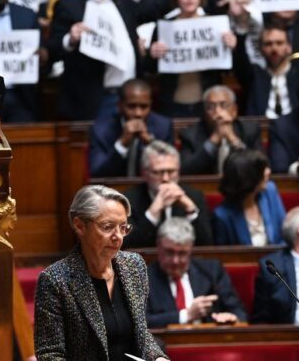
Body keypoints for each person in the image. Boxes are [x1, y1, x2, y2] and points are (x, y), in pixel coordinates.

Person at [33, 185, 168, 360]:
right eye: (108, 226)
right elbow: (49, 354)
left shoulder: (134, 266)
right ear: (80, 226)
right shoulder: (55, 280)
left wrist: (158, 358)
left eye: (123, 227)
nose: (118, 236)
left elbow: (141, 336)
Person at [47, 0, 145, 120]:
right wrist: (70, 39)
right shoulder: (70, 5)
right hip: (94, 100)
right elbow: (52, 48)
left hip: (129, 96)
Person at [146, 0, 237, 118]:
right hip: (172, 102)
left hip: (207, 103)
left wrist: (232, 46)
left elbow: (229, 67)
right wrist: (152, 53)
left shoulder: (215, 25)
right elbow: (149, 67)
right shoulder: (165, 26)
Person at [146, 217, 246, 328]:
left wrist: (231, 317)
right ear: (158, 247)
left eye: (182, 253)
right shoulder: (144, 278)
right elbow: (142, 323)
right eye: (169, 252)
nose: (175, 260)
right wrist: (185, 315)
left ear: (191, 249)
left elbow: (238, 311)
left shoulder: (212, 271)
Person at [123, 141, 213, 248]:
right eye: (158, 172)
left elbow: (207, 245)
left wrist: (190, 209)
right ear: (144, 173)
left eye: (171, 172)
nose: (165, 178)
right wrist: (153, 213)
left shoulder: (194, 197)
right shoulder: (129, 201)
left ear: (178, 171)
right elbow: (128, 246)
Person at [88, 79, 174, 177]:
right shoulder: (101, 129)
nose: (138, 113)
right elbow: (97, 173)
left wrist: (150, 144)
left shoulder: (163, 126)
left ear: (150, 105)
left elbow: (170, 170)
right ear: (120, 105)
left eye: (144, 107)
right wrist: (122, 143)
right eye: (131, 106)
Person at [178, 85, 263, 175]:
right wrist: (214, 139)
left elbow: (260, 167)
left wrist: (233, 139)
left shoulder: (249, 130)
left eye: (224, 105)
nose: (218, 112)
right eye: (211, 107)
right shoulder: (190, 134)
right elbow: (185, 170)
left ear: (234, 111)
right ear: (204, 112)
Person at [237, 23, 299, 118]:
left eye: (279, 43)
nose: (274, 48)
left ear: (289, 47)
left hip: (295, 128)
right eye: (268, 44)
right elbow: (240, 61)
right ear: (261, 49)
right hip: (262, 128)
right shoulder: (254, 75)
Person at [213, 149, 286, 246]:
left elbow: (284, 235)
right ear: (248, 178)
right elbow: (225, 256)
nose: (268, 172)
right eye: (262, 169)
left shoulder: (270, 191)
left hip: (276, 260)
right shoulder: (222, 215)